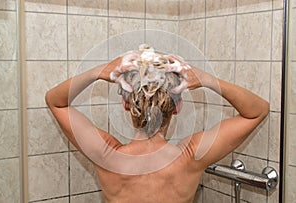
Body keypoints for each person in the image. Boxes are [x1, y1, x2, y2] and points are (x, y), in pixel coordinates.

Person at [45, 45, 269, 203]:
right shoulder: (191, 156)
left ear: (126, 106)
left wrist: (100, 72)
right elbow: (256, 111)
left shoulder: (107, 156)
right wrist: (207, 80)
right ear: (177, 107)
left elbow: (55, 102)